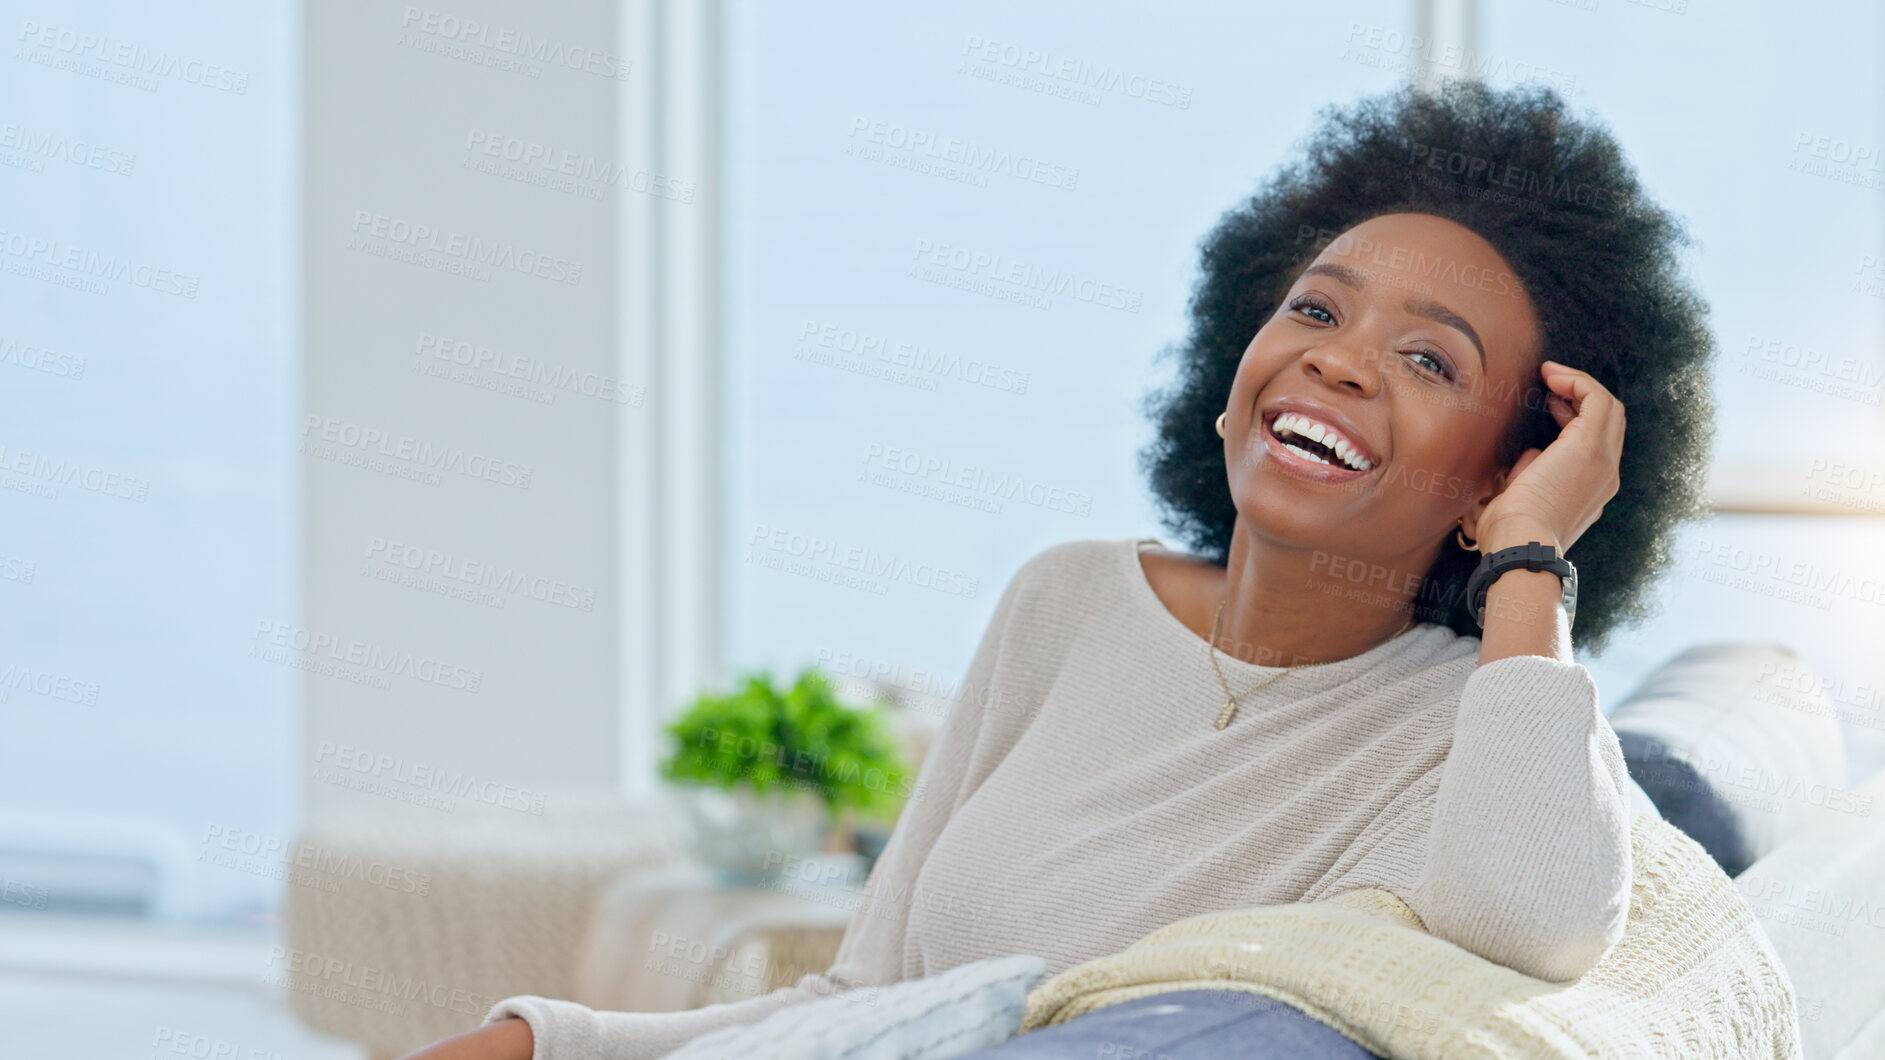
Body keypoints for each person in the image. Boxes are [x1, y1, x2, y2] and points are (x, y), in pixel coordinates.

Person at [401, 77, 1713, 1060]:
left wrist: (1532, 555)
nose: (1337, 358)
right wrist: (548, 1039)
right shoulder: (1066, 601)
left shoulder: (1483, 721)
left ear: (1504, 468)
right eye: (1314, 308)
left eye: (1429, 360)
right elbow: (857, 1007)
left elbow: (1532, 926)